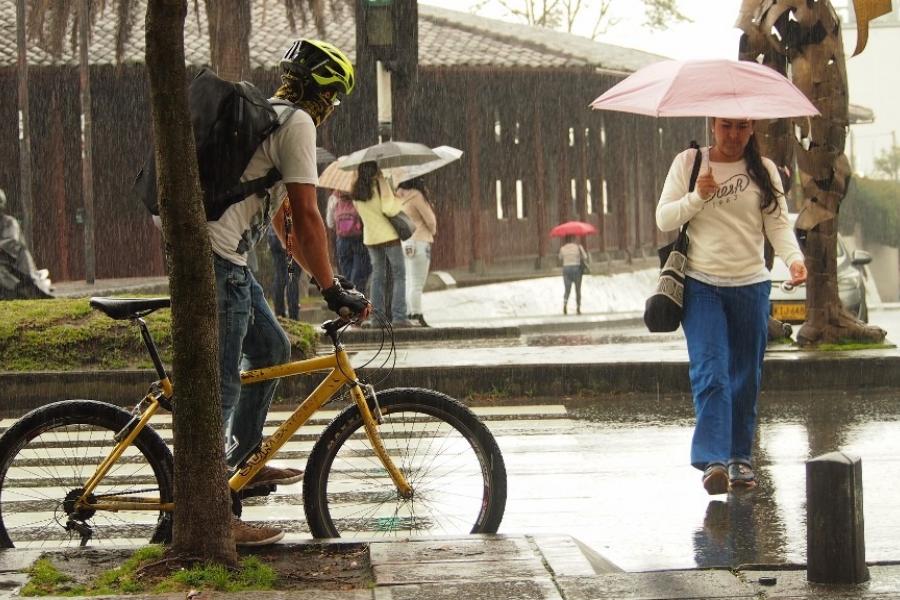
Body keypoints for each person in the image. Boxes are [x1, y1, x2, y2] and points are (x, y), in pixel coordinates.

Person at [206, 39, 369, 545]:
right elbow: (307, 212)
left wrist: (319, 275)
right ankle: (215, 513)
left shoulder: (270, 118)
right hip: (219, 258)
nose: (334, 108)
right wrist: (331, 288)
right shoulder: (297, 122)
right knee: (223, 386)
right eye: (336, 96)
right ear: (323, 90)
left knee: (272, 348)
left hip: (227, 256)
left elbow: (281, 217)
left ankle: (244, 462)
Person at [655, 117, 807, 496]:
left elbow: (776, 224)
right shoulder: (689, 163)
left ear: (752, 127)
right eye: (726, 126)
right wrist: (697, 197)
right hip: (702, 285)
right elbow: (663, 219)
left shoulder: (764, 170)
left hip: (750, 286)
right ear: (713, 125)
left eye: (741, 127)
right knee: (712, 372)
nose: (734, 135)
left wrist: (794, 259)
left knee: (745, 376)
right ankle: (713, 461)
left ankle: (739, 457)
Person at [351, 161, 415, 327]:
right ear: (375, 171)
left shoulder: (356, 190)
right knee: (399, 274)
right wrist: (396, 198)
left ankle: (376, 318)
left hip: (371, 238)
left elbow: (362, 212)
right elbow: (389, 209)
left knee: (378, 277)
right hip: (388, 236)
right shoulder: (380, 184)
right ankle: (399, 316)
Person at [396, 177, 437, 327]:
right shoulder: (416, 196)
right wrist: (432, 230)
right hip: (420, 239)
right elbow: (430, 220)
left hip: (405, 242)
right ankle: (417, 314)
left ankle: (409, 313)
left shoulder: (396, 196)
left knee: (408, 280)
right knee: (418, 282)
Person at [325, 189, 371, 293]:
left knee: (347, 275)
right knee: (359, 275)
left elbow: (330, 223)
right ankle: (357, 301)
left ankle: (349, 299)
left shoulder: (334, 198)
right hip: (360, 238)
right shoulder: (359, 195)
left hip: (342, 240)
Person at [266, 219, 300, 320]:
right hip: (288, 235)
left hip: (273, 235)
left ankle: (279, 313)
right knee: (291, 275)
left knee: (279, 274)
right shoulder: (290, 202)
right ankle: (293, 315)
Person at [557, 234, 590, 315]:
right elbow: (585, 257)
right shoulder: (578, 247)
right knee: (577, 289)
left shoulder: (563, 248)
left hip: (566, 269)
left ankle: (565, 304)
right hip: (576, 269)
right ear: (573, 239)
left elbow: (560, 258)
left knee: (567, 289)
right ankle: (578, 307)